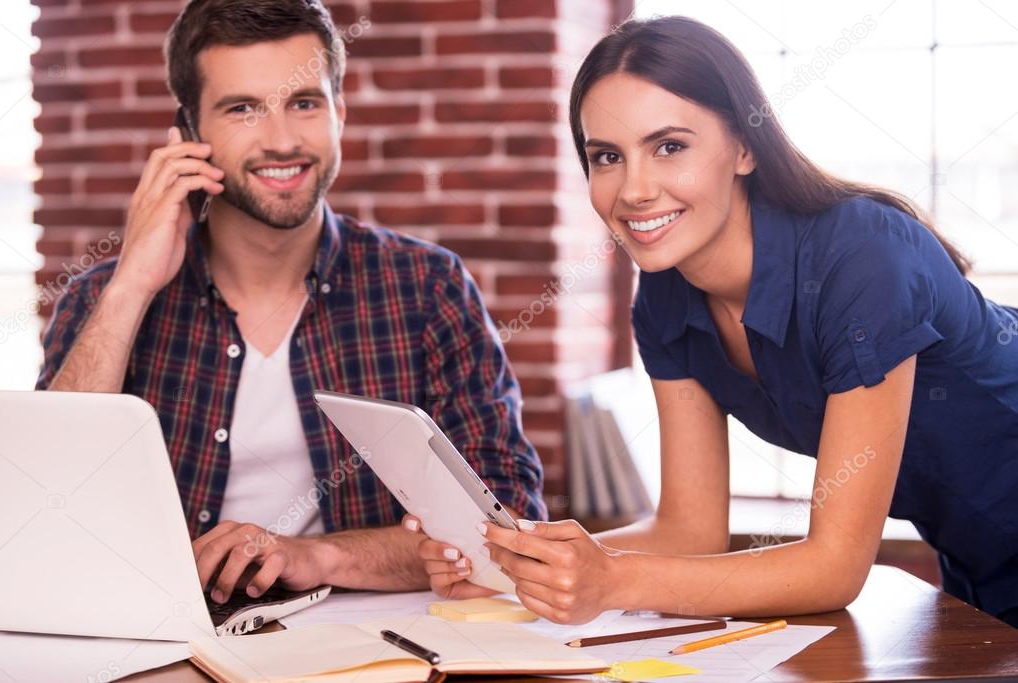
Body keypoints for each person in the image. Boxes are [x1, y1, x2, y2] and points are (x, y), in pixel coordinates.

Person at [406, 15, 1018, 627]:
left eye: (669, 146)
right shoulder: (666, 295)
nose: (635, 190)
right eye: (608, 156)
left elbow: (834, 568)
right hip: (978, 553)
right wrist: (518, 565)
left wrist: (610, 578)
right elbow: (688, 528)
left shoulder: (865, 257)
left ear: (746, 147)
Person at [36, 0, 545, 605]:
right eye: (243, 109)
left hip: (370, 648)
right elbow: (45, 515)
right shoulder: (102, 298)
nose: (281, 140)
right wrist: (131, 285)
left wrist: (316, 556)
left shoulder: (428, 287)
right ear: (191, 135)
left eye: (304, 103)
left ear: (339, 115)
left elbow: (507, 522)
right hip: (161, 641)